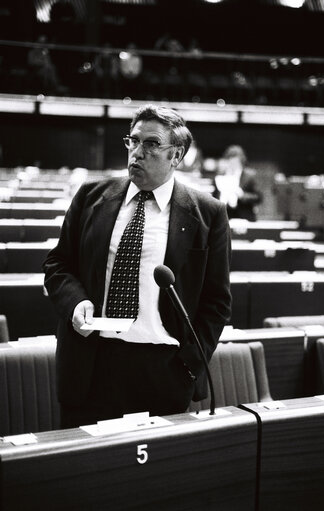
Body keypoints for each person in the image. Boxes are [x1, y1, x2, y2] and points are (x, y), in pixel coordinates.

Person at [43, 104, 231, 429]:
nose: (137, 152)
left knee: (157, 477)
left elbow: (217, 302)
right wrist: (76, 303)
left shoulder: (208, 213)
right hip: (92, 362)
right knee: (86, 472)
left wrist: (188, 364)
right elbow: (58, 265)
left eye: (151, 144)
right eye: (133, 141)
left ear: (177, 156)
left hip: (164, 370)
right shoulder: (90, 197)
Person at [214, 145, 262, 221]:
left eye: (235, 162)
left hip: (245, 216)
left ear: (241, 161)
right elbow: (214, 197)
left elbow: (259, 197)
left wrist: (243, 195)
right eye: (230, 161)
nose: (232, 164)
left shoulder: (249, 176)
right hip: (225, 217)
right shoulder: (221, 176)